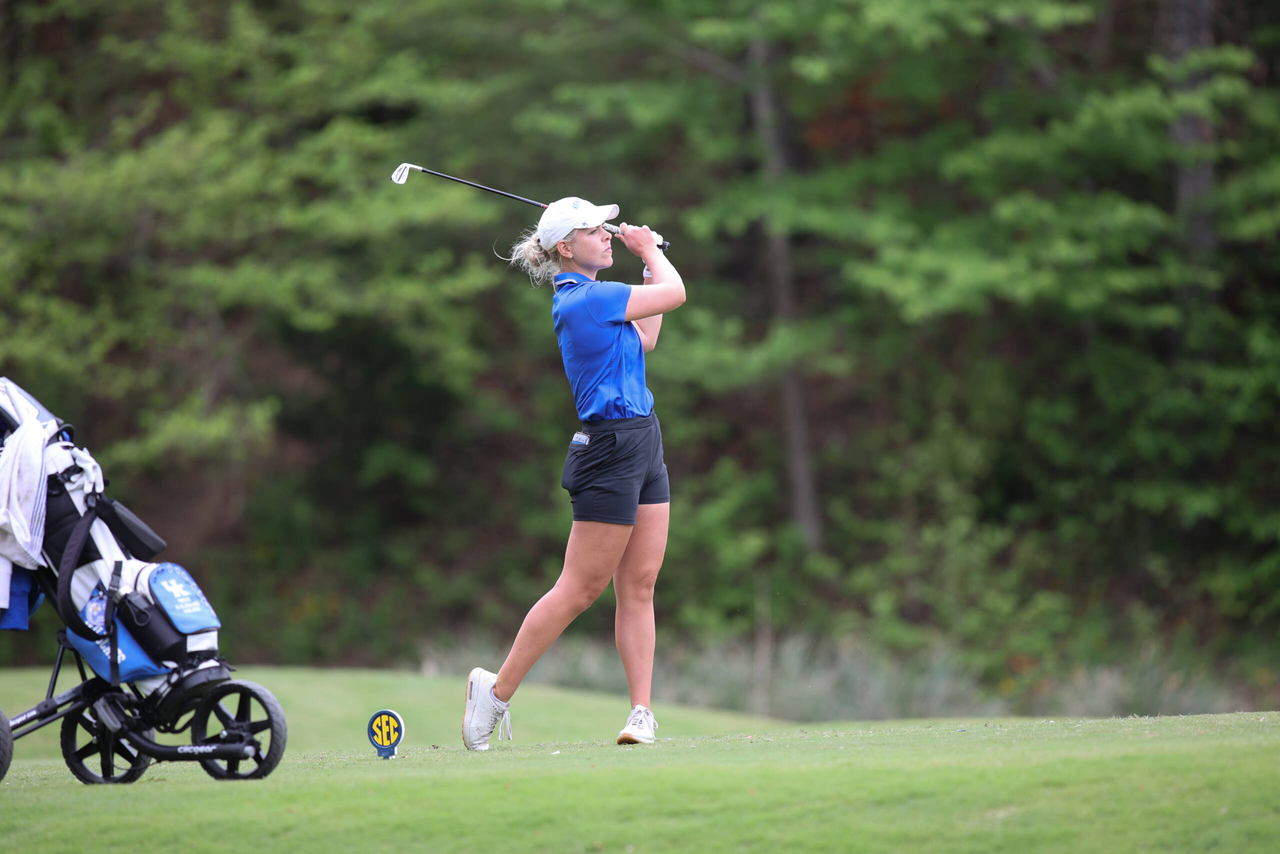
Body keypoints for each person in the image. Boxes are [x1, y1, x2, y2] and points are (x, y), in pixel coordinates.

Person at [462, 197, 685, 750]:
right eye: (595, 230)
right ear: (566, 247)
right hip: (608, 449)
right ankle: (496, 691)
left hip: (643, 439)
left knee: (639, 584)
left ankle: (641, 714)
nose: (608, 234)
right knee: (580, 589)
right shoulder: (584, 300)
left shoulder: (604, 300)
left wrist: (646, 261)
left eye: (608, 228)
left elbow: (649, 335)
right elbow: (676, 294)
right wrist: (651, 251)